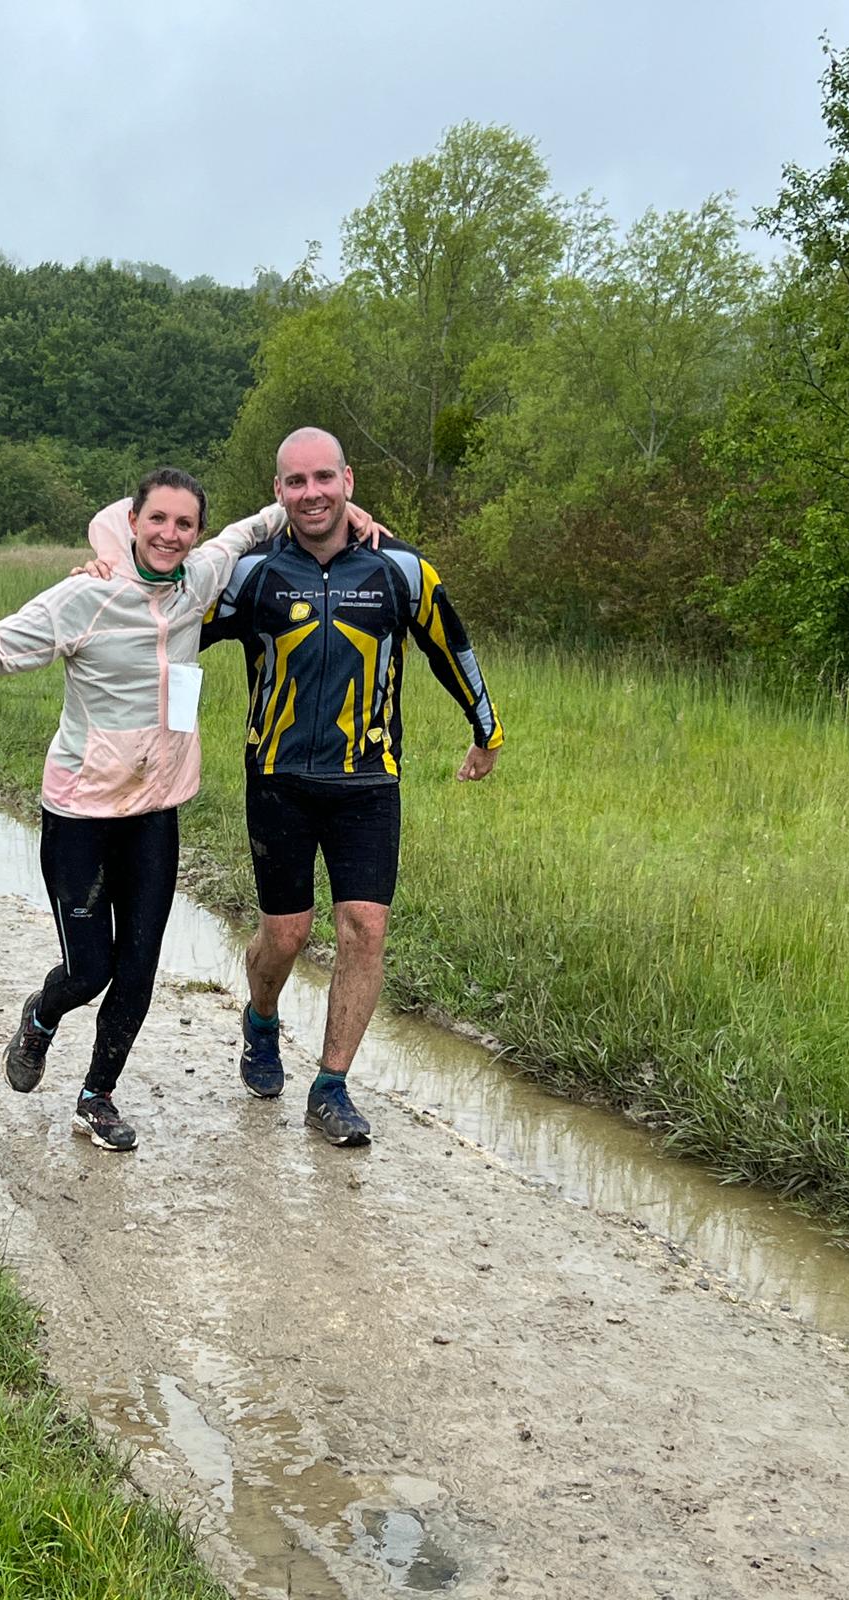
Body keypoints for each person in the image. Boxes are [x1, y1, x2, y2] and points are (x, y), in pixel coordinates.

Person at [0, 470, 294, 1153]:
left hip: (154, 813)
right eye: (158, 519)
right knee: (89, 971)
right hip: (81, 815)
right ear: (133, 522)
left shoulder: (200, 580)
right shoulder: (85, 596)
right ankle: (41, 1016)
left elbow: (249, 531)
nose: (171, 534)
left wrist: (320, 509)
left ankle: (97, 1097)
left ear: (196, 532)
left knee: (138, 970)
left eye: (185, 524)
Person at [200, 427, 502, 1148]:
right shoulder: (252, 575)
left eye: (323, 478)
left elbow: (451, 646)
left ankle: (331, 1087)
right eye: (296, 481)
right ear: (277, 492)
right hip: (277, 780)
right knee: (286, 934)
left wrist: (486, 729)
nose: (312, 493)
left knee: (365, 929)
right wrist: (106, 572)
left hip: (368, 780)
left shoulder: (402, 570)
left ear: (348, 480)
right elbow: (168, 622)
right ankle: (261, 1020)